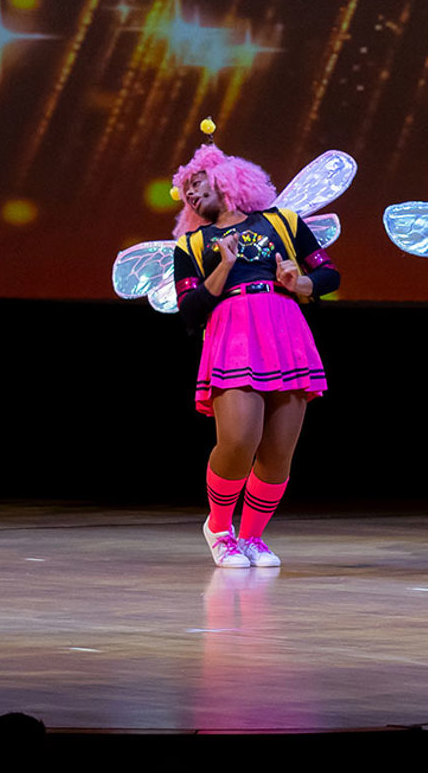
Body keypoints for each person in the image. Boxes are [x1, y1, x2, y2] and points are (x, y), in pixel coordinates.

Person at [170, 140, 340, 569]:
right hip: (234, 333)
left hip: (285, 328)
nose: (191, 193)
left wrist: (300, 283)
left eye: (197, 182)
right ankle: (219, 529)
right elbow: (189, 311)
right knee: (239, 440)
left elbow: (328, 273)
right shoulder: (191, 245)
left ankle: (252, 537)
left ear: (227, 178)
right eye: (186, 191)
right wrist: (224, 266)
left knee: (279, 453)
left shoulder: (283, 221)